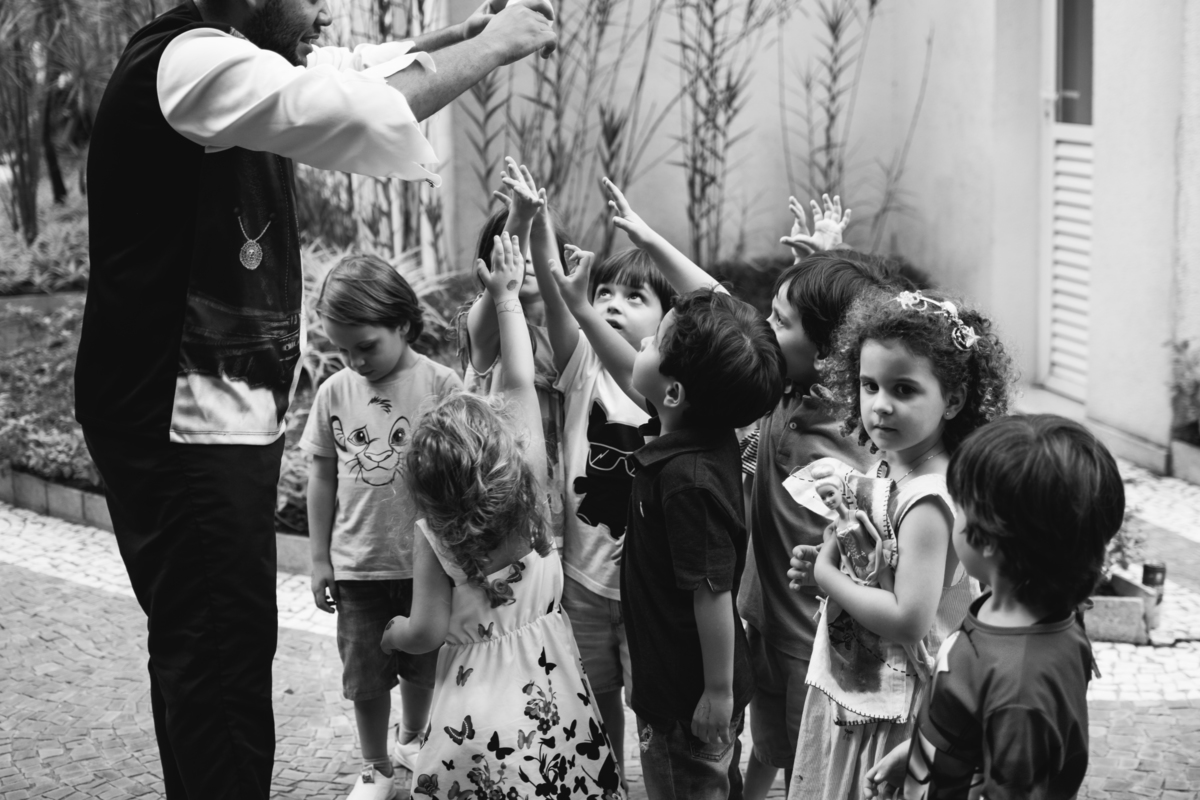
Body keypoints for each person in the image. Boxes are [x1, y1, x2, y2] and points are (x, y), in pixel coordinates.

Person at [74, 1, 557, 796]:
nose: (327, 13)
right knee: (218, 647)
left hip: (205, 414)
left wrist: (462, 38)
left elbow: (355, 71)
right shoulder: (192, 61)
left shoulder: (229, 53)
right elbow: (348, 105)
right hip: (179, 415)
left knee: (212, 639)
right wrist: (500, 48)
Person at [592, 183, 896, 799]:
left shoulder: (842, 420)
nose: (760, 325)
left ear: (832, 350)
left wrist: (827, 274)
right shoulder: (774, 390)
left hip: (811, 631)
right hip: (762, 619)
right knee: (765, 745)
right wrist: (650, 240)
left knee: (799, 755)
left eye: (779, 320)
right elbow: (722, 308)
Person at [381, 232, 624, 800]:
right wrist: (509, 295)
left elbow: (426, 631)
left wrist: (393, 636)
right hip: (550, 698)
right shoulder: (531, 501)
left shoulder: (433, 534)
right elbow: (517, 380)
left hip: (473, 721)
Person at [785, 288, 1014, 800]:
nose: (879, 406)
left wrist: (828, 578)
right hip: (864, 686)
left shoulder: (929, 500)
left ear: (953, 399)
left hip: (897, 704)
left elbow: (910, 618)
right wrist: (839, 567)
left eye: (904, 390)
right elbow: (882, 570)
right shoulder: (897, 459)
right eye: (869, 385)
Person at [861, 415, 1122, 800]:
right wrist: (921, 752)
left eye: (959, 504)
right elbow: (974, 721)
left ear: (987, 539)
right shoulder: (1005, 608)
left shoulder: (1021, 687)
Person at [515, 171, 676, 782]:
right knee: (593, 697)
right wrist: (536, 227)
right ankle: (605, 782)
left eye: (636, 298)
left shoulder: (670, 389)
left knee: (652, 709)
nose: (612, 303)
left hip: (647, 588)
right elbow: (559, 298)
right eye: (605, 291)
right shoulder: (582, 366)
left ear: (667, 323)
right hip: (584, 577)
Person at [300, 255, 462, 799]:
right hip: (358, 565)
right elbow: (321, 476)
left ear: (403, 324)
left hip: (429, 567)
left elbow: (465, 474)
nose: (353, 360)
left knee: (423, 665)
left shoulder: (442, 385)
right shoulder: (334, 392)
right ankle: (375, 767)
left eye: (365, 346)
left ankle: (413, 740)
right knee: (365, 676)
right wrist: (320, 557)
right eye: (342, 349)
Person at [620, 287, 785, 799]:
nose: (643, 340)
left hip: (686, 696)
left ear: (674, 394)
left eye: (652, 341)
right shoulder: (699, 441)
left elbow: (711, 589)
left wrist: (717, 692)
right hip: (675, 680)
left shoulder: (689, 481)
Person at [454, 158, 574, 546]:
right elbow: (496, 296)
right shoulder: (491, 329)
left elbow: (561, 302)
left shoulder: (570, 336)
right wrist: (519, 220)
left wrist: (539, 227)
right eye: (513, 249)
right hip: (497, 499)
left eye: (535, 248)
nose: (524, 259)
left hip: (560, 506)